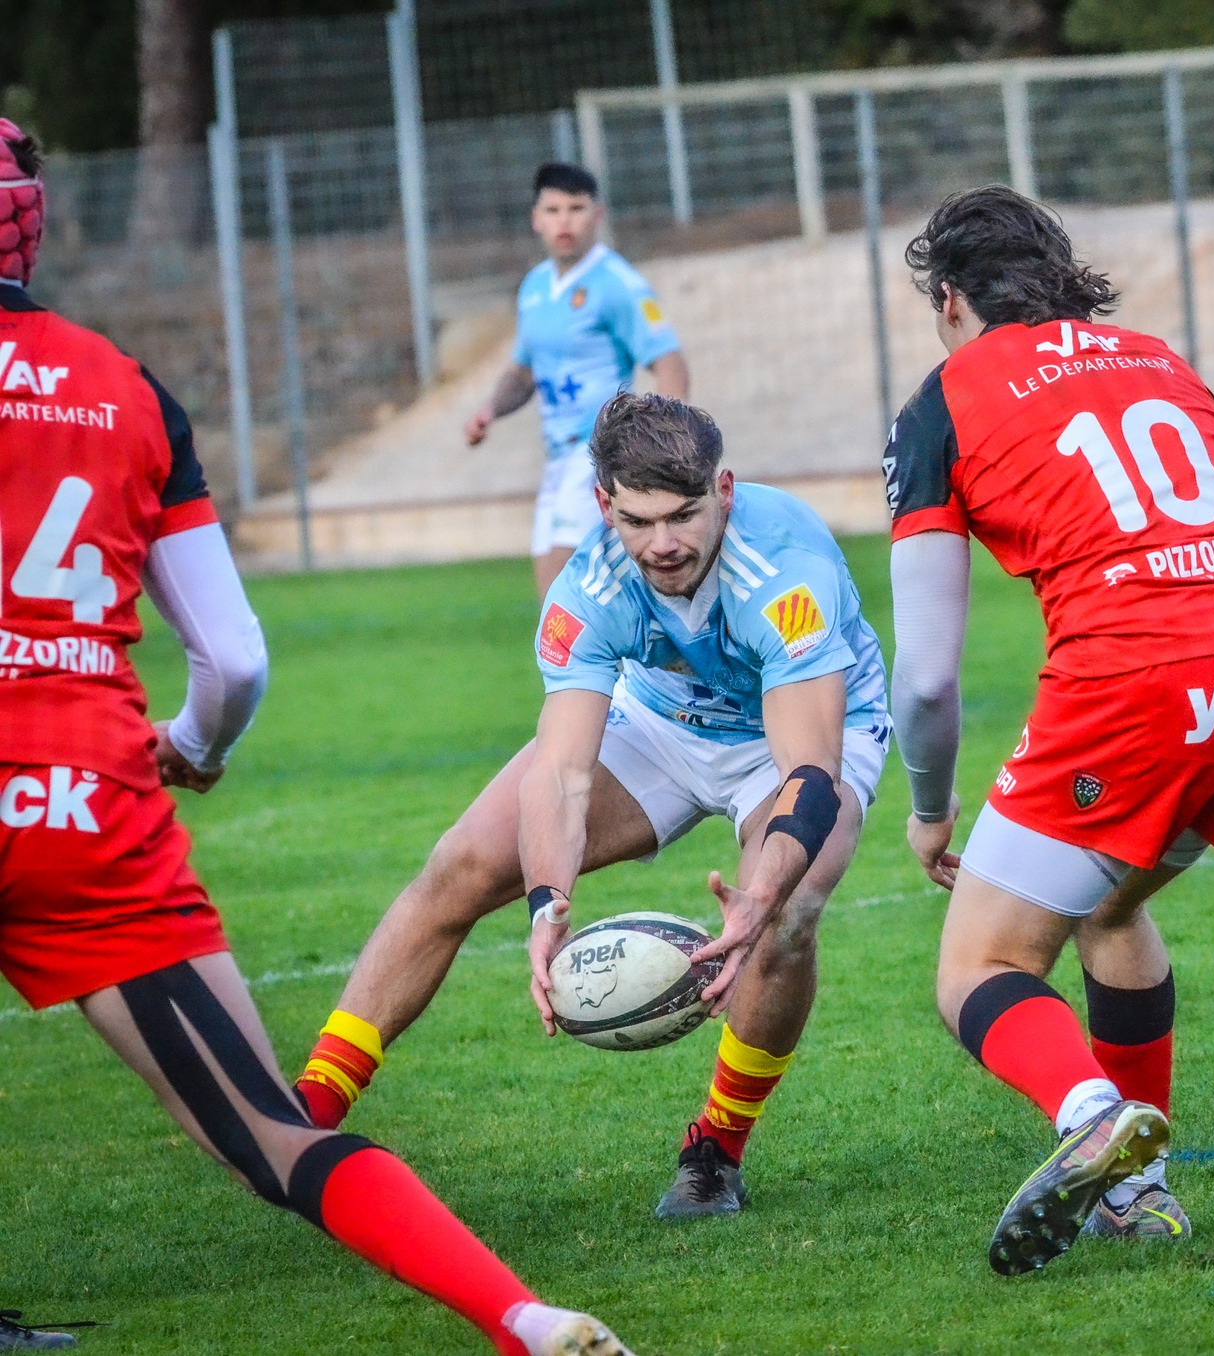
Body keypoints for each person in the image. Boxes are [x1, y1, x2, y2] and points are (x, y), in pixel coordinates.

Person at [0, 120, 634, 1356]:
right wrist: (190, 743)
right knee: (271, 1132)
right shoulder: (126, 388)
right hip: (84, 797)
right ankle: (519, 1313)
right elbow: (232, 657)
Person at [296, 394, 890, 1222]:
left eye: (685, 515)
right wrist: (547, 901)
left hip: (802, 738)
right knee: (463, 864)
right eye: (640, 521)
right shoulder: (590, 585)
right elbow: (561, 772)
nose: (665, 543)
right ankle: (306, 1115)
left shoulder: (784, 569)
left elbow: (811, 774)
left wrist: (760, 894)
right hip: (662, 716)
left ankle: (714, 1150)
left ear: (724, 488)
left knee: (785, 918)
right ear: (605, 503)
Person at [885, 187, 1214, 1274]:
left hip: (1134, 684)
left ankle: (1089, 1115)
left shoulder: (943, 399)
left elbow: (928, 678)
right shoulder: (1165, 365)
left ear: (948, 298)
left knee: (975, 966)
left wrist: (930, 813)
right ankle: (1142, 1194)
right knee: (1107, 905)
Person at [465, 163, 691, 598]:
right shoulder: (534, 288)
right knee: (554, 594)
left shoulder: (618, 284)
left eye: (576, 208)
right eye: (553, 209)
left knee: (565, 583)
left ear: (596, 216)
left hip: (599, 450)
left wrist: (665, 449)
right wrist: (489, 411)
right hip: (557, 455)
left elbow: (670, 365)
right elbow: (523, 371)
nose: (564, 220)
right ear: (536, 219)